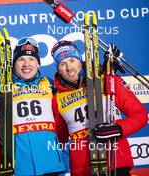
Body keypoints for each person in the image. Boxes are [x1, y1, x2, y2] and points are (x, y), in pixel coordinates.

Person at [51, 40, 147, 176]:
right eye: (62, 64)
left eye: (72, 60)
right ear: (58, 69)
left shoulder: (107, 80)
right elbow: (58, 138)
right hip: (82, 170)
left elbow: (141, 115)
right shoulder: (57, 98)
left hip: (114, 162)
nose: (69, 68)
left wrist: (118, 128)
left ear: (80, 60)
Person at [11, 37, 66, 175]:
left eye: (32, 60)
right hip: (20, 166)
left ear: (38, 64)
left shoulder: (52, 86)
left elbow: (78, 84)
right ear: (14, 64)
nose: (26, 64)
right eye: (21, 59)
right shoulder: (3, 89)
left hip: (51, 163)